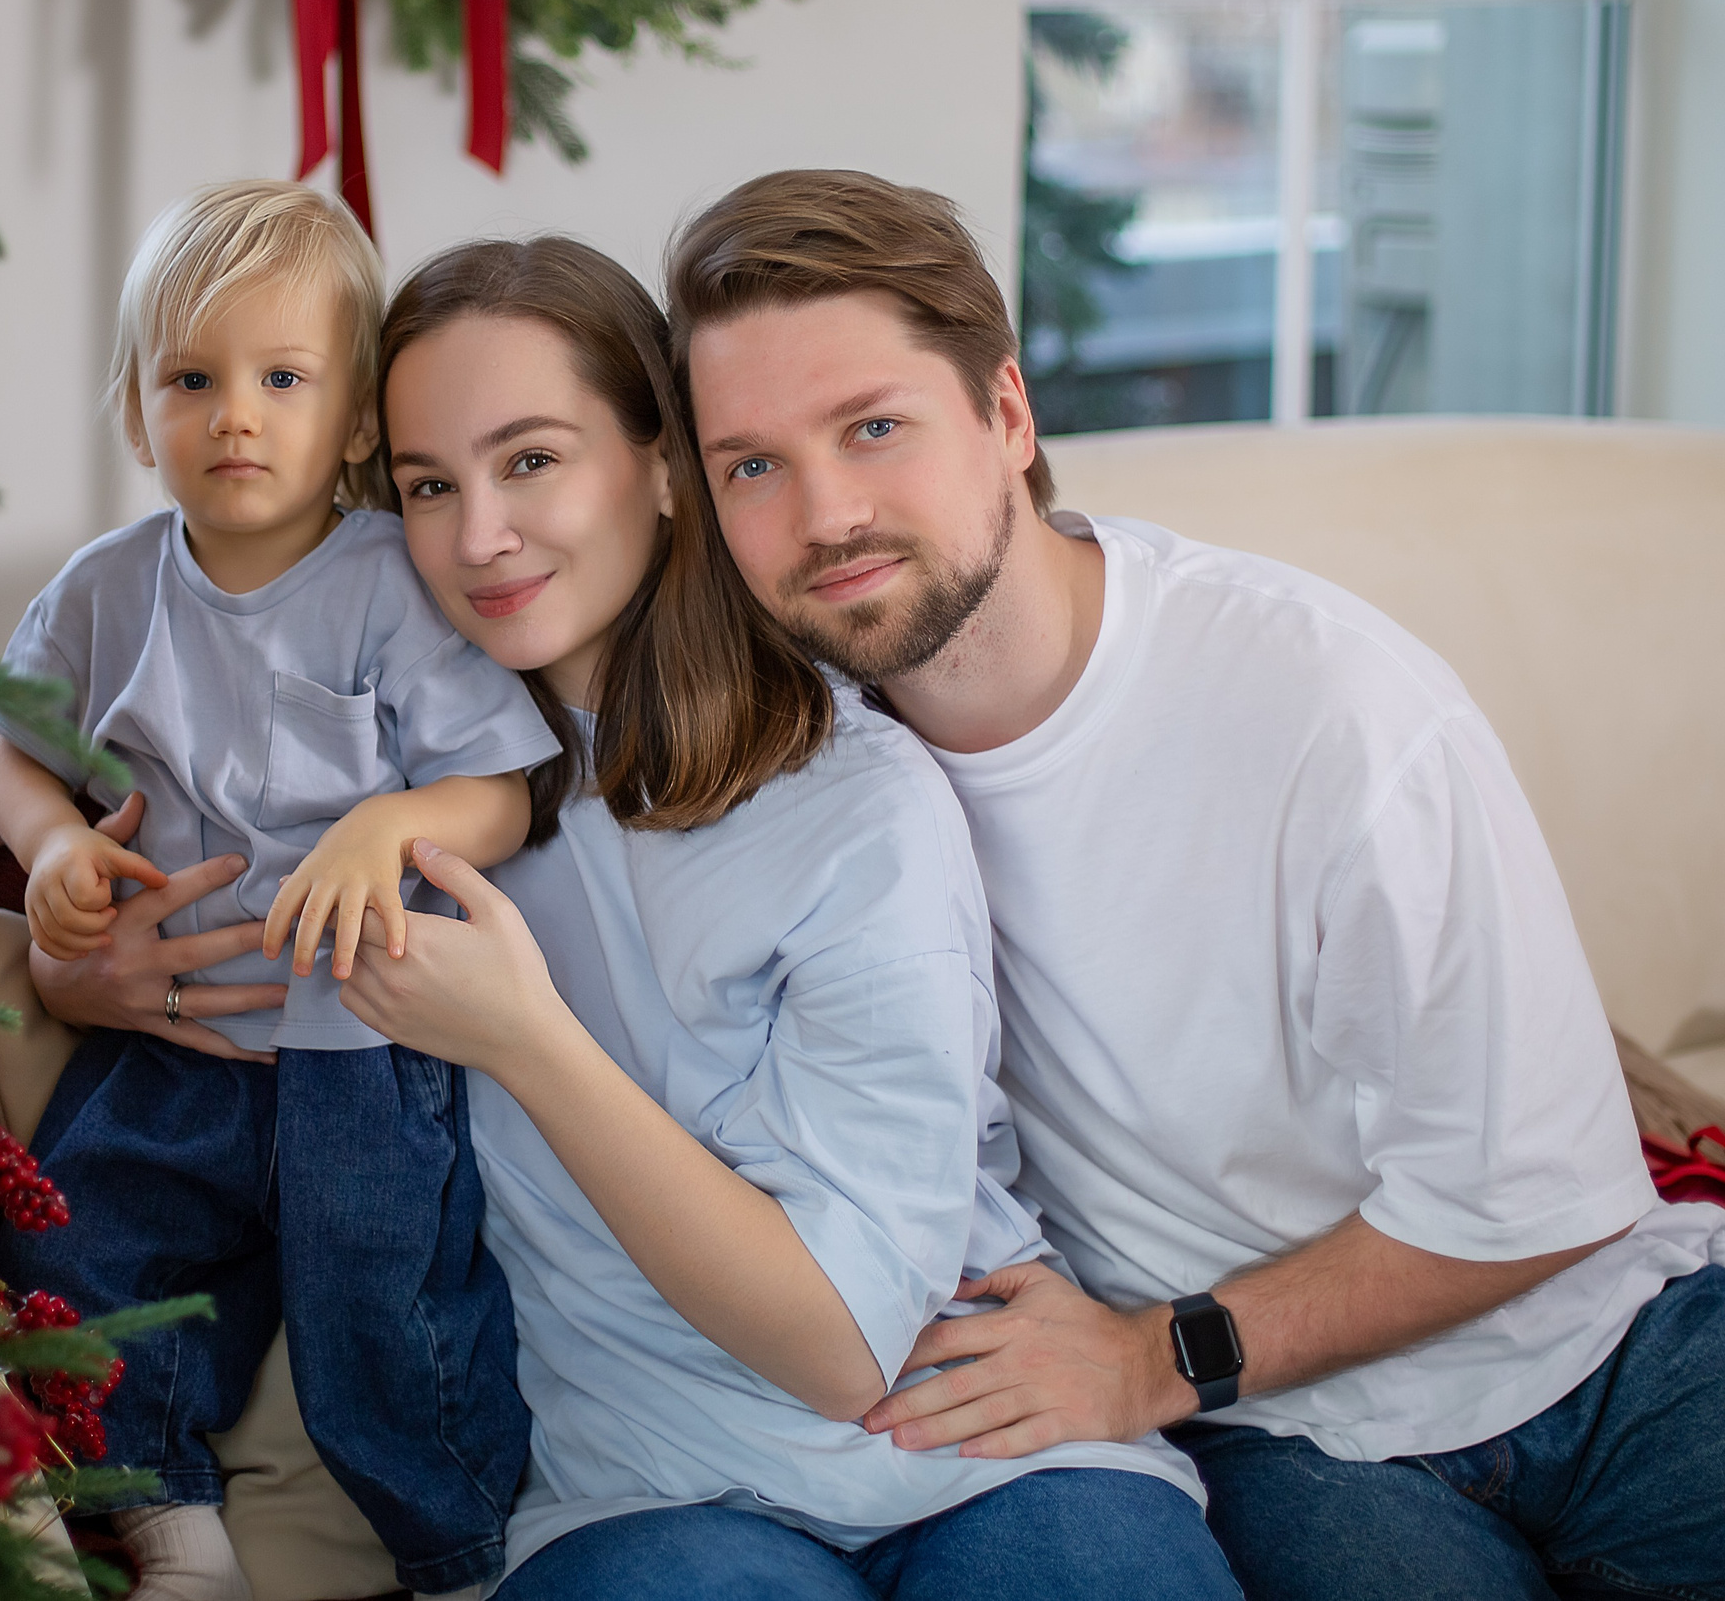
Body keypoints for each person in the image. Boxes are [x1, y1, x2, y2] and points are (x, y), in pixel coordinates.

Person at [665, 168, 1725, 1600]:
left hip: (1611, 1352)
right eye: (753, 465)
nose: (827, 513)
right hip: (1286, 1444)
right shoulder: (788, 785)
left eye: (874, 427)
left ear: (1009, 417)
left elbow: (1543, 1198)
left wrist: (1150, 1354)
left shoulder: (1324, 700)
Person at [329, 236, 1234, 1598]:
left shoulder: (853, 800)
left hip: (978, 1447)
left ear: (665, 467)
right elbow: (140, 673)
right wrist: (63, 910)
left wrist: (526, 1040)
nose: (480, 537)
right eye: (427, 485)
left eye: (531, 460)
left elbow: (840, 1344)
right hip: (651, 1487)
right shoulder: (383, 771)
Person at [0, 181, 551, 1601]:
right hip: (174, 1029)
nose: (236, 414)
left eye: (283, 379)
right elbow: (1, 746)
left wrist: (390, 829)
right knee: (87, 1240)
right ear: (134, 413)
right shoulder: (107, 593)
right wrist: (50, 846)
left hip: (361, 1039)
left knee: (384, 1308)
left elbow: (505, 788)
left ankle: (462, 1554)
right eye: (193, 379)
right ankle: (174, 1534)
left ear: (354, 421)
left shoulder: (390, 584)